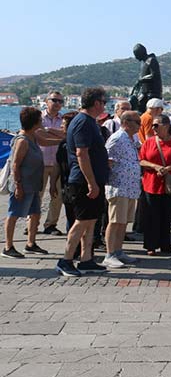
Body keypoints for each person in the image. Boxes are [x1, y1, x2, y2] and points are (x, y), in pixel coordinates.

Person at [56, 87, 111, 276]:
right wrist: (91, 183)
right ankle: (66, 259)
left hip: (92, 180)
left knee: (91, 221)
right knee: (81, 221)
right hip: (83, 182)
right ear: (96, 103)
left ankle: (86, 259)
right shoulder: (83, 123)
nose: (104, 105)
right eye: (103, 102)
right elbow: (82, 154)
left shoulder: (89, 122)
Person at [2, 107, 62, 258]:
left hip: (34, 183)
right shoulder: (22, 141)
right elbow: (15, 165)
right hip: (23, 184)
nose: (42, 122)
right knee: (13, 214)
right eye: (40, 120)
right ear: (34, 122)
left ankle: (31, 243)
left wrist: (65, 139)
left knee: (35, 213)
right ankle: (8, 247)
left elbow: (47, 142)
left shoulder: (33, 136)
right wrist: (18, 186)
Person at [138, 115, 171, 256]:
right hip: (151, 184)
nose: (153, 128)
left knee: (167, 217)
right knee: (151, 216)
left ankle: (165, 244)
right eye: (153, 125)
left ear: (166, 126)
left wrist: (167, 168)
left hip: (170, 184)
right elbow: (141, 160)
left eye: (156, 125)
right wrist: (155, 166)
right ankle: (151, 245)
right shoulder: (149, 142)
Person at [100, 110, 142, 269]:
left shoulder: (132, 138)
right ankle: (109, 254)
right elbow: (107, 160)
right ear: (126, 122)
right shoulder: (117, 138)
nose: (139, 125)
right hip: (119, 186)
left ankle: (118, 251)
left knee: (123, 222)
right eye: (137, 122)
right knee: (115, 221)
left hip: (130, 187)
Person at [38, 91, 66, 236]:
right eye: (54, 100)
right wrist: (58, 133)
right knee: (37, 195)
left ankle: (51, 224)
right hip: (40, 162)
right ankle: (32, 223)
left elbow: (66, 135)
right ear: (46, 101)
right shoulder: (39, 118)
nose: (57, 104)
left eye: (60, 101)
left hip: (57, 163)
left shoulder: (64, 119)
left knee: (57, 196)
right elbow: (38, 135)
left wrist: (49, 130)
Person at [130, 43, 162, 113]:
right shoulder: (144, 63)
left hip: (152, 94)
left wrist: (141, 80)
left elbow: (154, 75)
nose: (136, 57)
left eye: (136, 55)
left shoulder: (151, 60)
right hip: (144, 93)